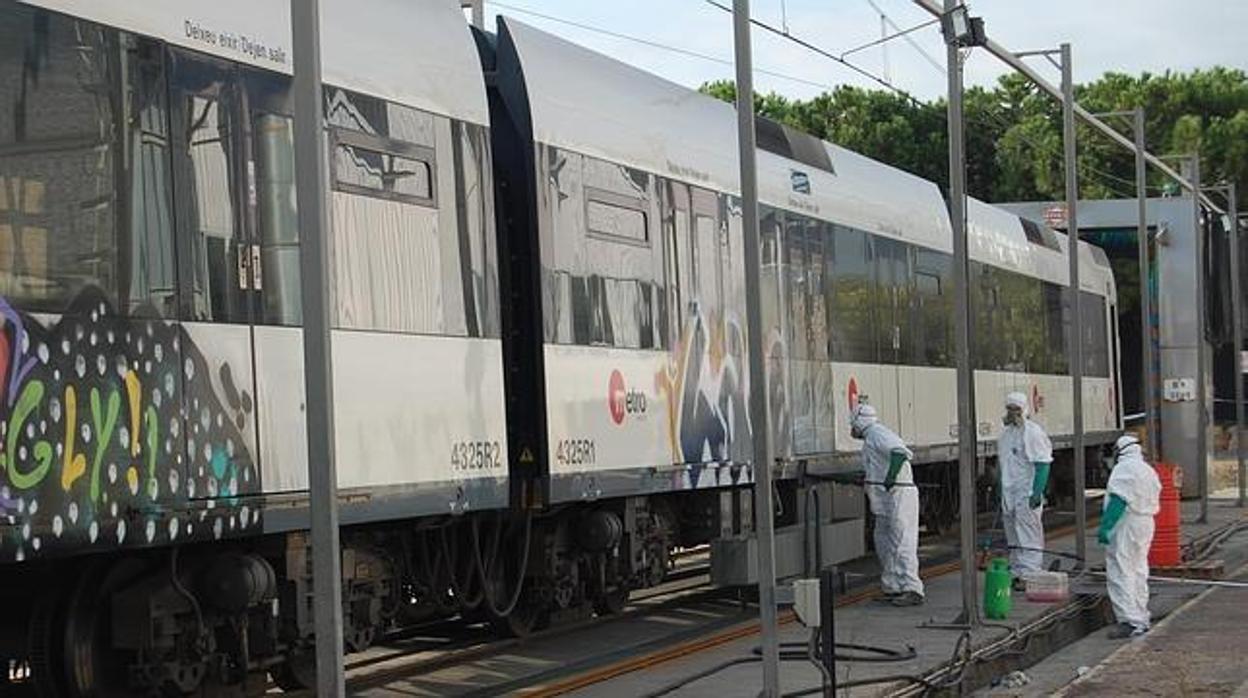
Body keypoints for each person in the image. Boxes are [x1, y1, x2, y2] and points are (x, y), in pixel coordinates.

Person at [850, 403, 924, 606]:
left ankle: (912, 588)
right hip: (884, 499)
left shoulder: (878, 434)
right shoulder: (870, 440)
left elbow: (900, 453)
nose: (852, 429)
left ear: (859, 421)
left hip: (898, 494)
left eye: (852, 424)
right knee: (883, 541)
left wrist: (891, 477)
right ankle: (892, 585)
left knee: (902, 541)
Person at [1098, 434, 1161, 639]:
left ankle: (1129, 621)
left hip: (1127, 523)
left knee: (1120, 570)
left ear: (1119, 451)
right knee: (1138, 569)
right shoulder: (1148, 470)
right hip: (1146, 522)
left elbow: (1118, 500)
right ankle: (1141, 617)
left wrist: (1106, 527)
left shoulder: (1123, 469)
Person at [997, 392, 1053, 590]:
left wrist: (1036, 492)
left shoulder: (1033, 433)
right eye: (1010, 409)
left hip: (1025, 493)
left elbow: (1043, 464)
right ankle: (1017, 572)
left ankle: (1030, 573)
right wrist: (1000, 490)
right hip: (1009, 493)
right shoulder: (1006, 434)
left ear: (1024, 410)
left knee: (1028, 533)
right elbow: (1003, 464)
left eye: (1016, 409)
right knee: (1013, 534)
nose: (1013, 413)